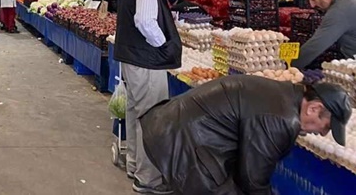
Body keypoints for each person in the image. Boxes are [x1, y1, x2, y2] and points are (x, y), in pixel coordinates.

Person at [140, 75, 351, 195]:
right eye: (326, 127)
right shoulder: (282, 118)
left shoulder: (286, 95)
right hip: (181, 140)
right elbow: (252, 179)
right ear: (314, 108)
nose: (322, 134)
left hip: (172, 128)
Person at [113, 0, 181, 194]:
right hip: (146, 62)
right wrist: (163, 44)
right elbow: (145, 22)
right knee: (151, 119)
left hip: (131, 60)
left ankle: (134, 164)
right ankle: (148, 179)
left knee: (135, 113)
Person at [292, 0, 356, 68]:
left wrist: (288, 66)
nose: (312, 5)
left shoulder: (339, 11)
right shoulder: (346, 1)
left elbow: (315, 45)